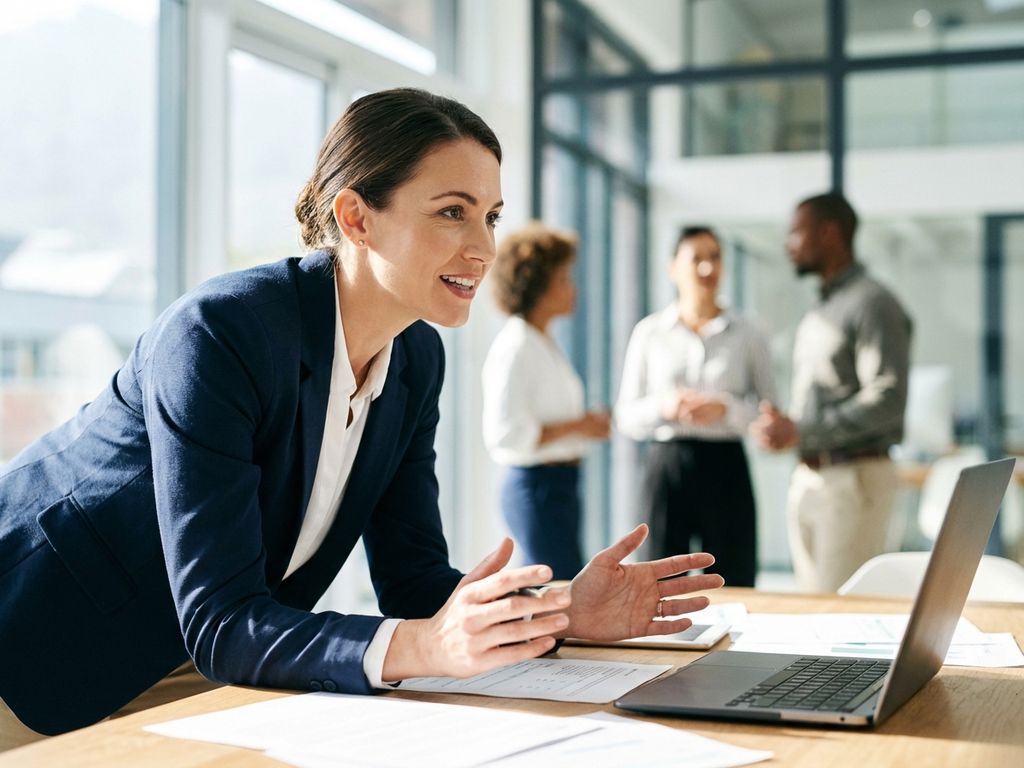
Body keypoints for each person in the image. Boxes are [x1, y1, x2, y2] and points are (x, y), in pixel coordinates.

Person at [0, 88, 724, 747]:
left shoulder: (416, 361)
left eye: (491, 215)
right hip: (36, 646)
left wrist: (563, 610)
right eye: (452, 211)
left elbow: (412, 582)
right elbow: (223, 617)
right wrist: (427, 645)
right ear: (356, 217)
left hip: (199, 669)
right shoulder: (221, 333)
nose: (484, 247)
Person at [751, 192, 912, 593]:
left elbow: (888, 399)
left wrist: (804, 431)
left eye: (796, 233)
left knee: (841, 613)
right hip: (811, 478)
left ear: (829, 233)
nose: (789, 245)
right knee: (813, 610)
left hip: (852, 479)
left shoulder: (873, 303)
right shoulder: (821, 309)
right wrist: (787, 427)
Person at [615, 226, 776, 587]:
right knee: (658, 580)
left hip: (727, 467)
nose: (708, 268)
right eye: (697, 258)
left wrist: (727, 409)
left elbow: (770, 413)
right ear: (673, 268)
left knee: (734, 579)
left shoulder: (749, 333)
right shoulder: (650, 332)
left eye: (715, 257)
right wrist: (665, 407)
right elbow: (625, 416)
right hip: (668, 465)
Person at [481, 224, 611, 579]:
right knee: (554, 588)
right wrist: (580, 426)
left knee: (561, 586)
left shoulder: (542, 341)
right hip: (537, 487)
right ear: (539, 284)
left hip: (559, 486)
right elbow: (505, 435)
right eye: (564, 279)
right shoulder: (516, 347)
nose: (573, 289)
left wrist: (582, 426)